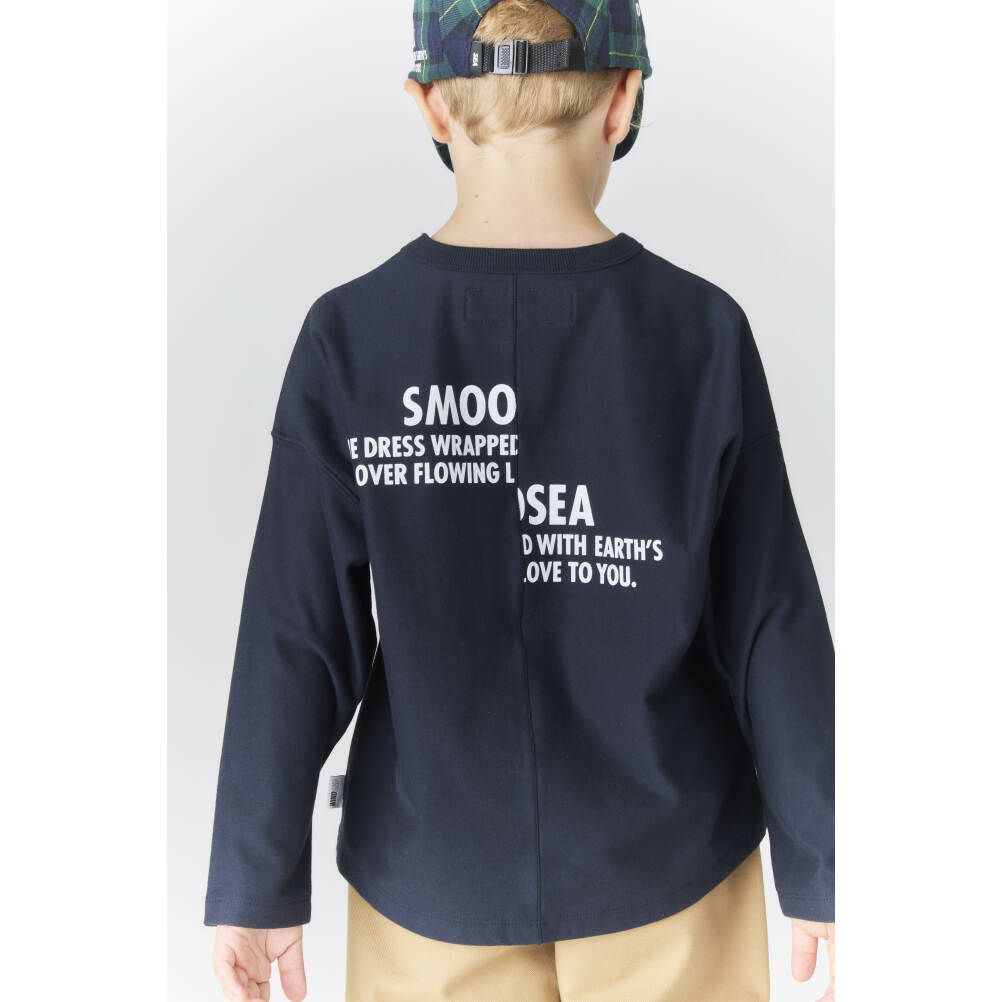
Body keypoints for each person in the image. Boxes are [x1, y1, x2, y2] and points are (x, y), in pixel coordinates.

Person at [205, 2, 835, 999]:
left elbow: (296, 632)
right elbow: (771, 622)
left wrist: (255, 880)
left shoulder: (350, 338)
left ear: (430, 106)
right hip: (670, 871)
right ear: (623, 100)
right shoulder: (702, 333)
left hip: (431, 885)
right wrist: (827, 862)